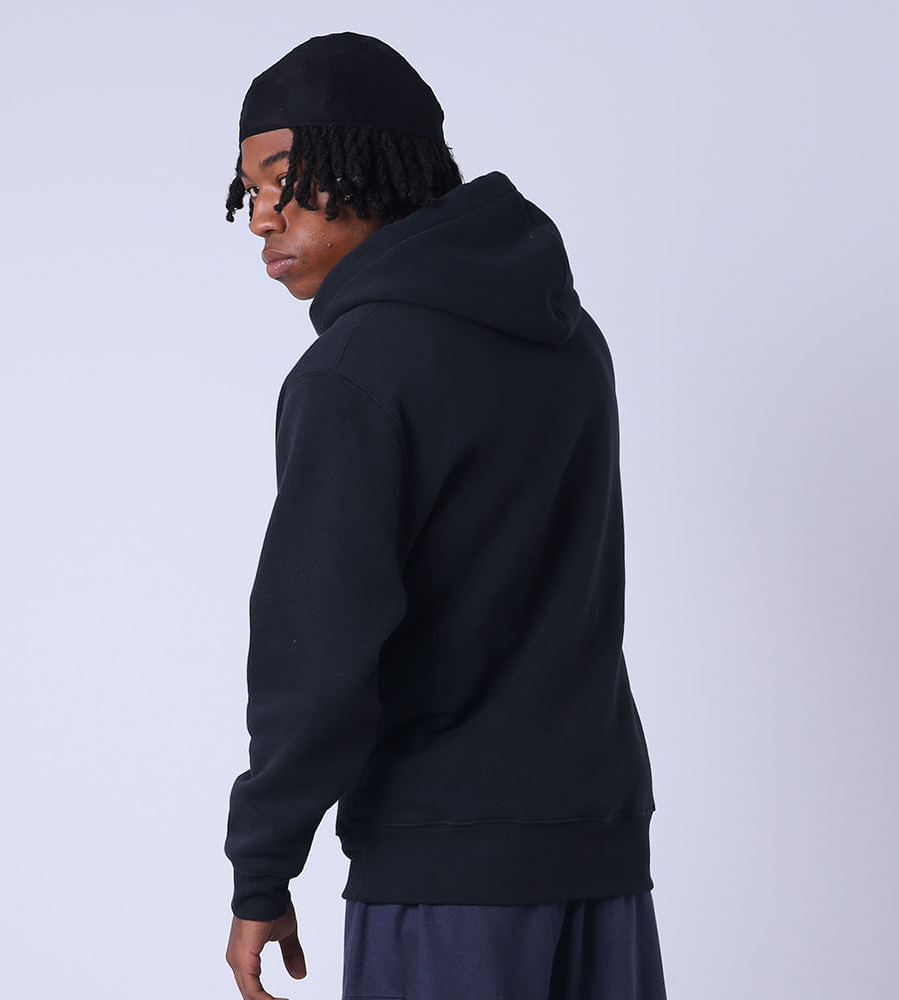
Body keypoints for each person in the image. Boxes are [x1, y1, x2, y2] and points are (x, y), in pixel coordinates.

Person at [222, 31, 667, 1000]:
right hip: (600, 855)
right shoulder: (567, 337)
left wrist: (262, 865)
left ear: (371, 164)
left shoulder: (353, 373)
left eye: (285, 180)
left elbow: (316, 647)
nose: (261, 217)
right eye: (249, 191)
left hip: (448, 876)